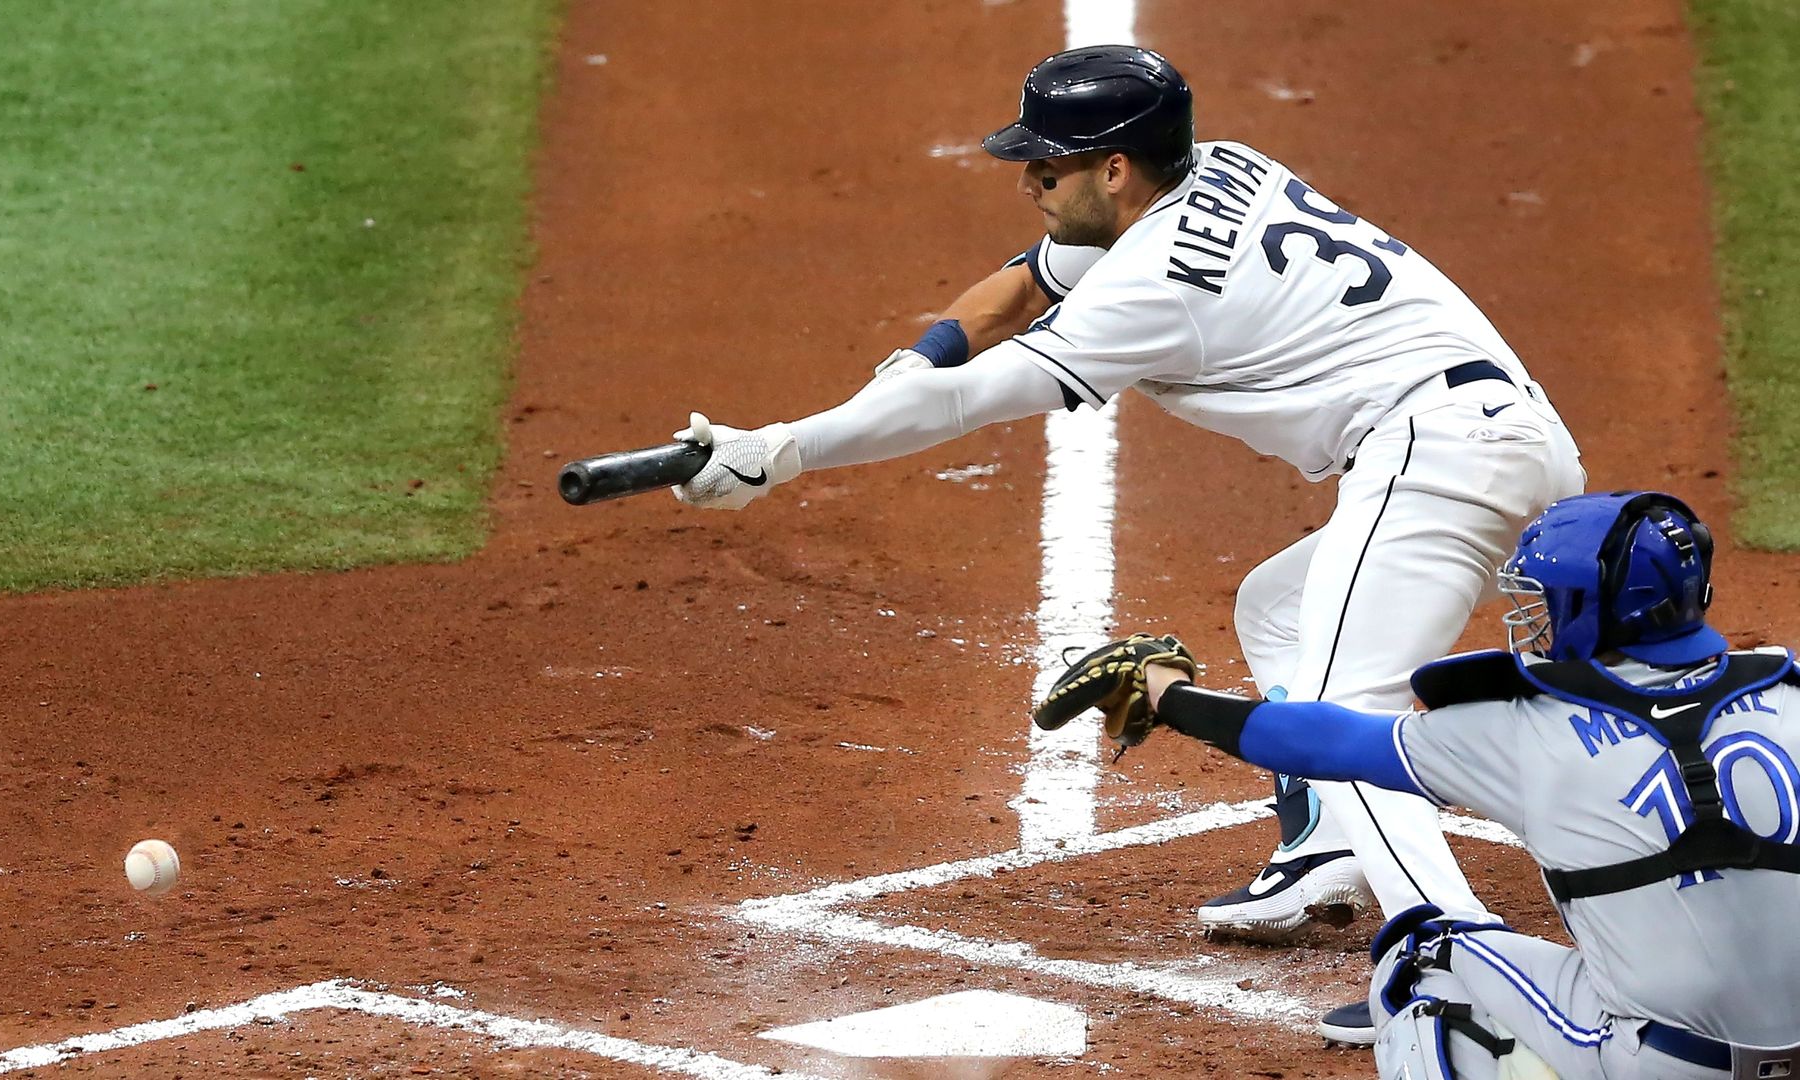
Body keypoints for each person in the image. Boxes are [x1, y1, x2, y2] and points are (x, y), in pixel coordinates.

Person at [667, 44, 1586, 1041]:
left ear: (1115, 169)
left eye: (1048, 166)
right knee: (1277, 610)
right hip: (1514, 438)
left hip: (1437, 455)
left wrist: (781, 452)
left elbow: (975, 398)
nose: (1028, 182)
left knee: (1341, 708)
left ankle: (1452, 964)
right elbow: (1022, 285)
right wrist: (906, 367)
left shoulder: (1153, 287)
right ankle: (1331, 842)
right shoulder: (1217, 164)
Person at [1035, 490, 1800, 1078]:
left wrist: (1165, 692)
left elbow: (1325, 741)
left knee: (1420, 957)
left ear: (1586, 609)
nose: (1527, 615)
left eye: (1540, 600)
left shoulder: (1521, 733)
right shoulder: (1792, 695)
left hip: (1663, 1063)